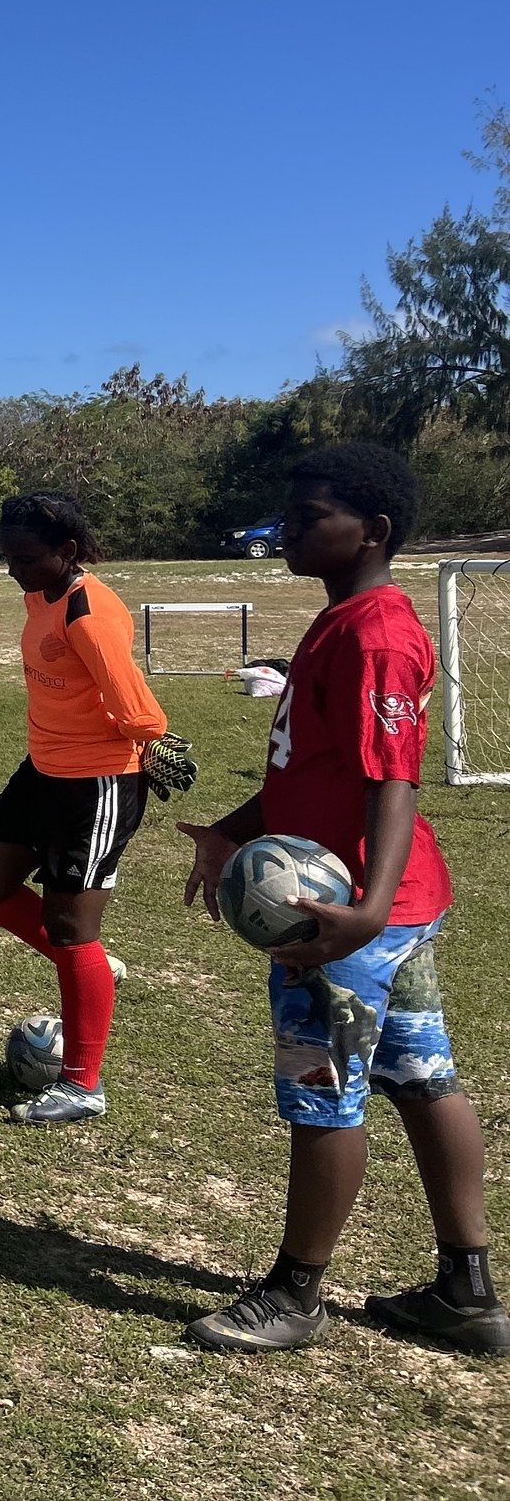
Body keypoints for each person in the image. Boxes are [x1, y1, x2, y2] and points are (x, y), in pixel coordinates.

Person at [179, 445, 507, 1356]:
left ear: (374, 531)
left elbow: (391, 782)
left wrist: (361, 910)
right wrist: (230, 829)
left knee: (324, 1093)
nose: (288, 525)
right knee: (419, 1072)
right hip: (391, 902)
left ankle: (295, 1294)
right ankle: (466, 1292)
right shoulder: (339, 622)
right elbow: (306, 775)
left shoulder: (376, 633)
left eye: (310, 512)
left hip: (347, 918)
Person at [0, 495, 176, 1126]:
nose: (12, 571)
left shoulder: (89, 614)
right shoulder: (40, 594)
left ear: (68, 552)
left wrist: (151, 746)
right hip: (41, 772)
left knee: (73, 930)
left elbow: (142, 714)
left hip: (97, 783)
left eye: (24, 559)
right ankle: (90, 970)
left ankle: (83, 1085)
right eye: (8, 557)